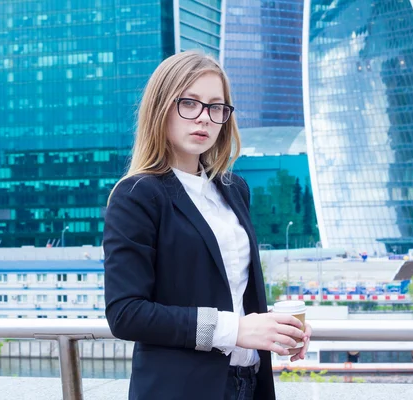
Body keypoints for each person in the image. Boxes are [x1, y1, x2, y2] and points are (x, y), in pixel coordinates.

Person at [103, 51, 312, 400]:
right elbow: (126, 313)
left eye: (216, 107)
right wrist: (236, 329)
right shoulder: (137, 194)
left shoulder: (233, 189)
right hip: (181, 389)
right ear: (161, 108)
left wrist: (275, 329)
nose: (204, 118)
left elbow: (231, 290)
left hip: (249, 383)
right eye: (190, 103)